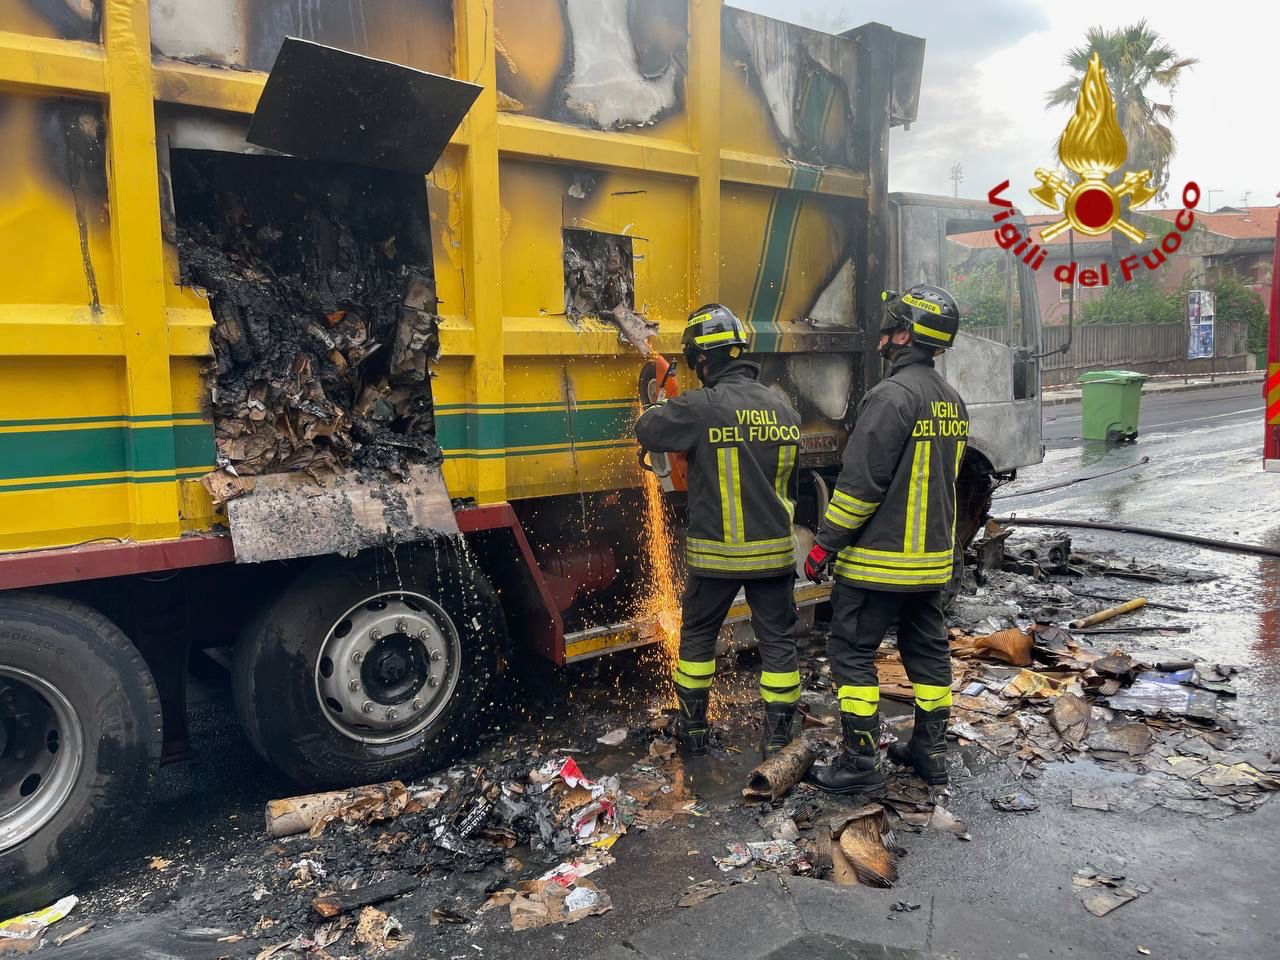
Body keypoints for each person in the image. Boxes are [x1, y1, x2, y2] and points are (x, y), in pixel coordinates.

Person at [803, 284, 968, 795]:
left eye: (891, 328)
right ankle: (929, 752)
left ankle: (859, 762)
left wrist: (824, 544)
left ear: (905, 336)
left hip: (879, 563)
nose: (882, 337)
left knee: (851, 653)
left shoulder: (891, 397)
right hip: (931, 564)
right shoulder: (951, 401)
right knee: (928, 654)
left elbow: (860, 485)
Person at [636, 304, 802, 759]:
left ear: (702, 359)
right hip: (774, 556)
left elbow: (648, 429)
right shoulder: (783, 409)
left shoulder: (702, 406)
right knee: (779, 645)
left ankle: (692, 729)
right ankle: (778, 738)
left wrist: (659, 401)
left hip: (716, 558)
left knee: (697, 639)